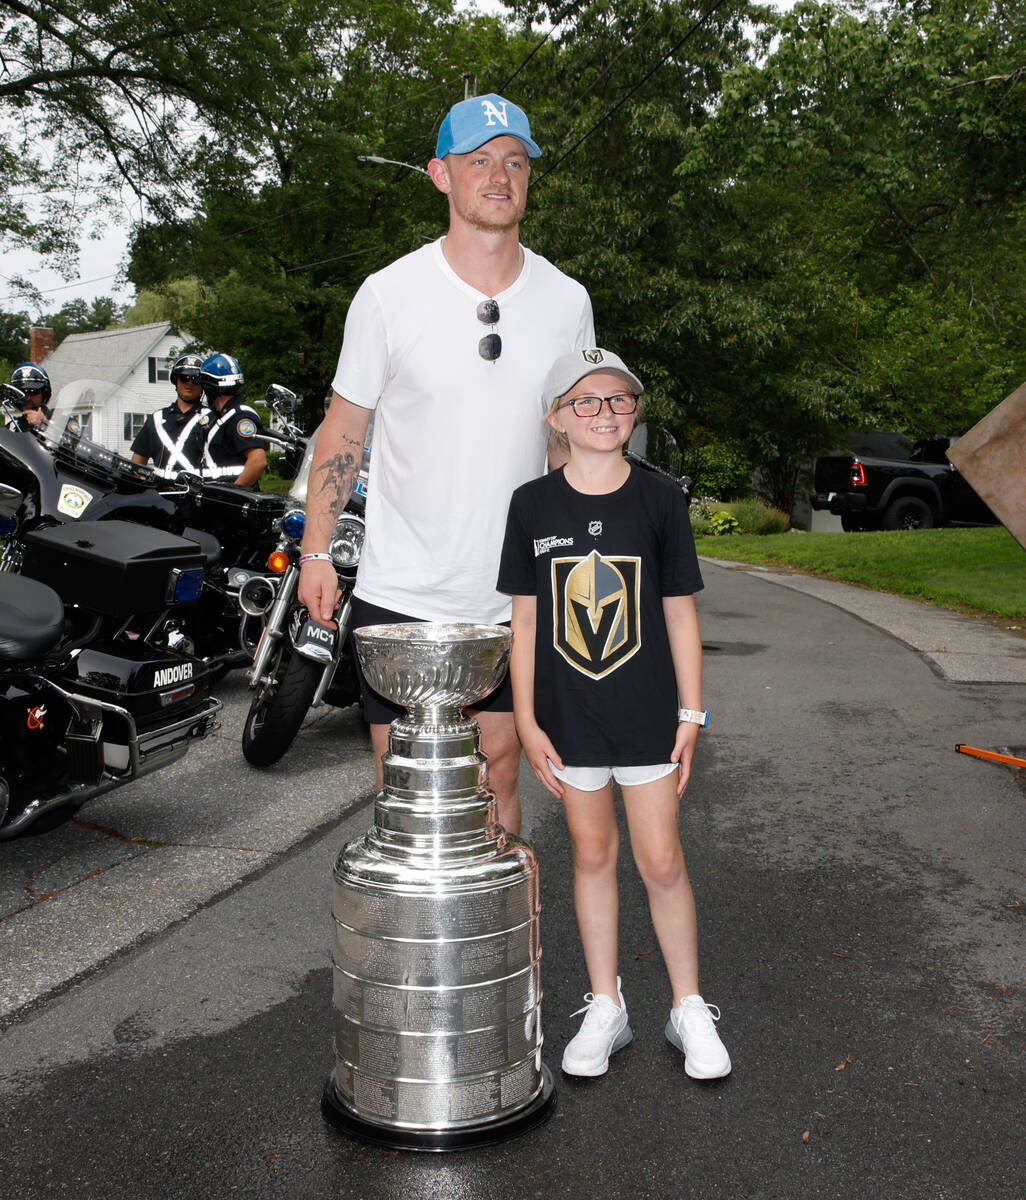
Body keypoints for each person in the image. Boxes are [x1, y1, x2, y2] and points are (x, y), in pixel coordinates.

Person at [298, 93, 595, 835]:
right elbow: (343, 431)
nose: (500, 176)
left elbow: (569, 441)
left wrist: (580, 555)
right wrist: (316, 551)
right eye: (480, 162)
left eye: (515, 162)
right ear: (440, 175)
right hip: (406, 590)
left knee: (500, 773)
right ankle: (414, 954)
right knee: (406, 786)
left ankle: (502, 951)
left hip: (515, 593)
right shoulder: (388, 296)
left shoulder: (566, 301)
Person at [496, 347, 731, 1081]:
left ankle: (688, 1006)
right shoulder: (532, 505)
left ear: (634, 412)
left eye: (619, 400)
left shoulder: (659, 500)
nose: (605, 413)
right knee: (592, 855)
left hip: (647, 714)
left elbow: (680, 616)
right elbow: (527, 624)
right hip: (569, 718)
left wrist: (691, 712)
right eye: (586, 401)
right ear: (557, 417)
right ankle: (607, 1004)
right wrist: (529, 721)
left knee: (661, 859)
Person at [130, 353, 209, 478]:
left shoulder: (212, 420)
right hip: (158, 495)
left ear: (203, 384)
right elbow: (137, 464)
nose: (189, 383)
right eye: (184, 377)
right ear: (175, 380)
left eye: (195, 379)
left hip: (198, 494)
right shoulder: (156, 420)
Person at [197, 353, 267, 487]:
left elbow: (258, 461)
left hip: (235, 503)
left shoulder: (240, 417)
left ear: (210, 387)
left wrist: (234, 495)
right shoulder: (220, 417)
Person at [7, 363, 52, 430]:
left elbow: (70, 438)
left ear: (44, 393)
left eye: (33, 392)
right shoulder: (12, 428)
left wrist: (44, 424)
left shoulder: (60, 420)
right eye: (22, 392)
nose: (28, 398)